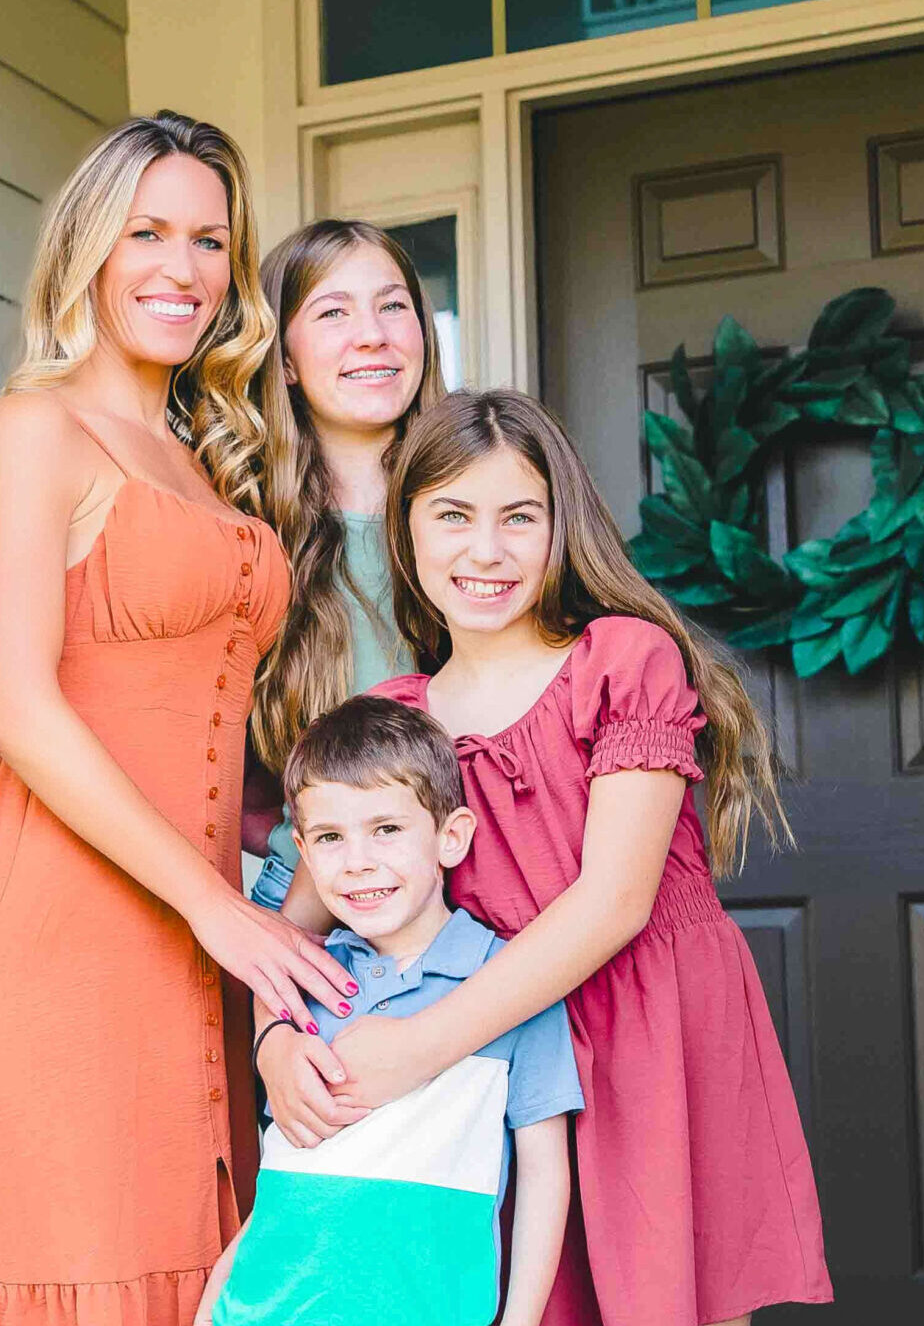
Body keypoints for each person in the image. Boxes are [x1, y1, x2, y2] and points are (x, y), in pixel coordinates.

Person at [0, 112, 357, 1326]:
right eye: (147, 232)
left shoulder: (209, 459)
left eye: (210, 240)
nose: (183, 266)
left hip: (204, 945)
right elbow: (11, 703)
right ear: (89, 252)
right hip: (69, 927)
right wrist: (215, 908)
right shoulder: (35, 425)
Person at [267, 388, 833, 1325]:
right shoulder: (397, 723)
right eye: (451, 516)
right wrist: (276, 1039)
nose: (484, 551)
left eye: (517, 518)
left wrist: (418, 1044)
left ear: (558, 528)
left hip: (647, 1031)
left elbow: (613, 901)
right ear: (405, 533)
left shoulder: (622, 660)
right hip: (503, 1057)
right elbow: (290, 930)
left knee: (669, 1299)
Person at [199, 695, 581, 1326]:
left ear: (450, 837)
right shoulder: (303, 985)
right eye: (329, 837)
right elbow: (283, 1186)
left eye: (386, 829)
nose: (357, 862)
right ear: (303, 848)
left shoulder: (510, 985)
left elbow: (545, 1177)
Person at [244, 219, 446, 912]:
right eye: (333, 313)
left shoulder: (477, 518)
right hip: (301, 903)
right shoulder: (242, 531)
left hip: (466, 900)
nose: (373, 335)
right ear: (286, 360)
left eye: (394, 306)